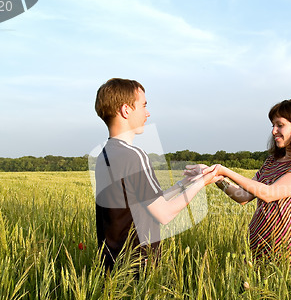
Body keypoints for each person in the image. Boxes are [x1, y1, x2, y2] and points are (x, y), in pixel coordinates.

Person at [94, 78, 221, 272]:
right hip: (139, 263)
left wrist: (184, 183)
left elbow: (146, 202)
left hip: (112, 263)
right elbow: (164, 214)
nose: (147, 113)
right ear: (126, 110)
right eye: (143, 105)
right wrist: (202, 183)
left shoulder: (105, 155)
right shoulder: (134, 155)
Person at [189, 99, 291, 263]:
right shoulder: (271, 161)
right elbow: (243, 197)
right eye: (273, 125)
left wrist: (225, 170)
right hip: (256, 243)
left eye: (280, 125)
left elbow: (270, 193)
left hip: (286, 248)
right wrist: (218, 178)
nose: (274, 131)